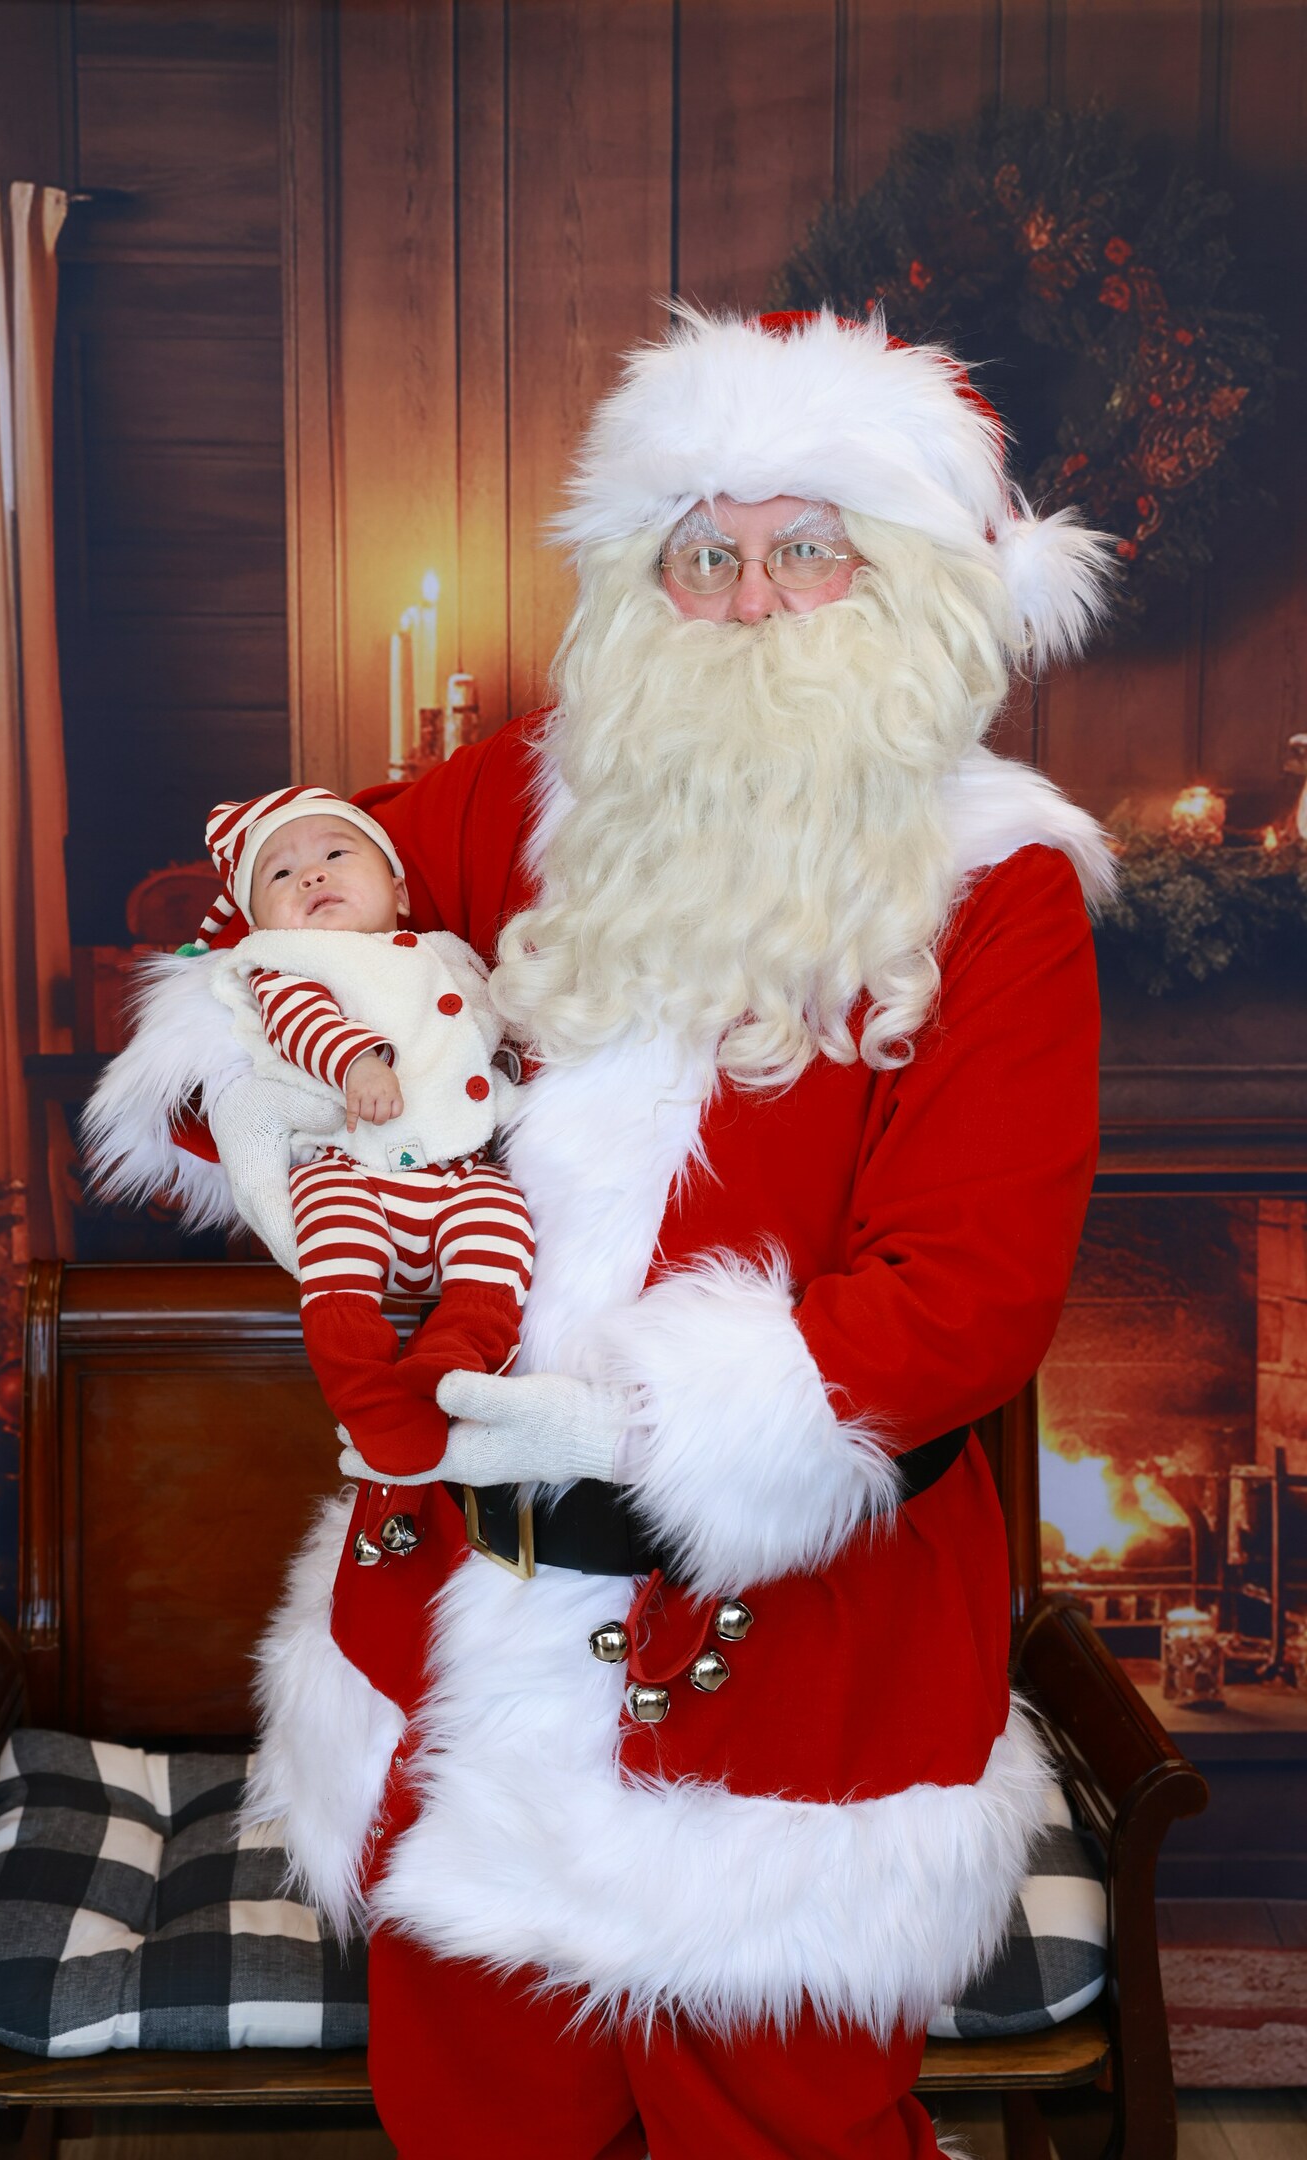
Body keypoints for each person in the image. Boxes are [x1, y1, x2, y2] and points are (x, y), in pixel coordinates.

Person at [228, 307, 1116, 2157]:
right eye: (704, 555)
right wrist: (305, 1102)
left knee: (778, 2129)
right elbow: (280, 929)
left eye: (811, 549)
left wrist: (643, 1428)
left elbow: (969, 1297)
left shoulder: (1002, 888)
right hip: (460, 1618)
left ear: (916, 583)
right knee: (473, 2117)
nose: (752, 600)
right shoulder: (519, 795)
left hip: (783, 1652)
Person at [83, 785, 532, 1474]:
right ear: (262, 925)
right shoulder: (286, 965)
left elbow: (487, 1027)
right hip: (350, 1165)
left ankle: (456, 1358)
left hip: (459, 1168)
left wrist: (510, 1075)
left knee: (502, 1229)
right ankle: (365, 1392)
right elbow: (302, 1023)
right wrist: (355, 1062)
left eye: (336, 855)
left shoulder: (449, 956)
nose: (312, 876)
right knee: (335, 1255)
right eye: (282, 874)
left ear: (398, 891)